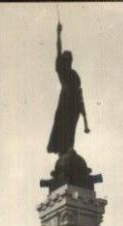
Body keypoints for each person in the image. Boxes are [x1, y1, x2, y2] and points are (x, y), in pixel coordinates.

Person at [47, 23, 90, 155]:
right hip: (65, 103)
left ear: (71, 60)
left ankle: (67, 151)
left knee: (71, 129)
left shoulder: (74, 75)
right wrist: (58, 34)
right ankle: (63, 153)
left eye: (68, 59)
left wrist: (84, 116)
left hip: (75, 105)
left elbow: (80, 93)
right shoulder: (63, 72)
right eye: (64, 59)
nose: (66, 61)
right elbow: (58, 49)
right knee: (63, 128)